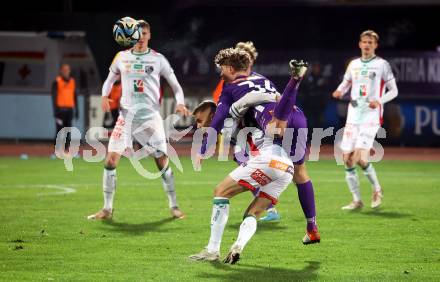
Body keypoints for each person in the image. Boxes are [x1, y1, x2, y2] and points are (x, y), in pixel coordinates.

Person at [189, 48, 317, 264]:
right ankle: (311, 226)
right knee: (298, 175)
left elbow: (220, 117)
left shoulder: (230, 91)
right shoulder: (261, 78)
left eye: (222, 70)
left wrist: (204, 147)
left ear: (230, 69)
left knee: (221, 192)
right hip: (294, 123)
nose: (220, 74)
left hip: (270, 146)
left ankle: (212, 250)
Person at [87, 19, 190, 220]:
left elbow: (176, 86)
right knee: (110, 160)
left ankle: (174, 206)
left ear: (149, 35)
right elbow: (109, 81)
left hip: (150, 119)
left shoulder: (158, 59)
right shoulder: (121, 57)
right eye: (137, 34)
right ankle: (107, 209)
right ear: (131, 36)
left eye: (144, 34)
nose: (141, 37)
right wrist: (104, 96)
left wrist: (180, 102)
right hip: (126, 117)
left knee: (161, 161)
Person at [332, 30, 398, 210]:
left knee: (360, 157)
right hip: (353, 116)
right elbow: (345, 83)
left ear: (375, 45)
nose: (367, 45)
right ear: (360, 44)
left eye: (371, 42)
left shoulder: (382, 65)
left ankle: (377, 189)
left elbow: (393, 91)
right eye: (364, 42)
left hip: (371, 118)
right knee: (347, 159)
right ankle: (357, 200)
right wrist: (339, 91)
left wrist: (379, 101)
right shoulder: (353, 64)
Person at [51, 63, 79, 156]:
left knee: (68, 130)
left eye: (68, 70)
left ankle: (67, 150)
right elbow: (54, 97)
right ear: (61, 71)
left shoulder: (72, 81)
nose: (66, 72)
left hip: (70, 109)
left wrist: (77, 110)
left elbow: (75, 96)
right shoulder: (57, 81)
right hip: (60, 110)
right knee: (59, 130)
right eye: (64, 70)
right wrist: (55, 111)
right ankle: (57, 150)